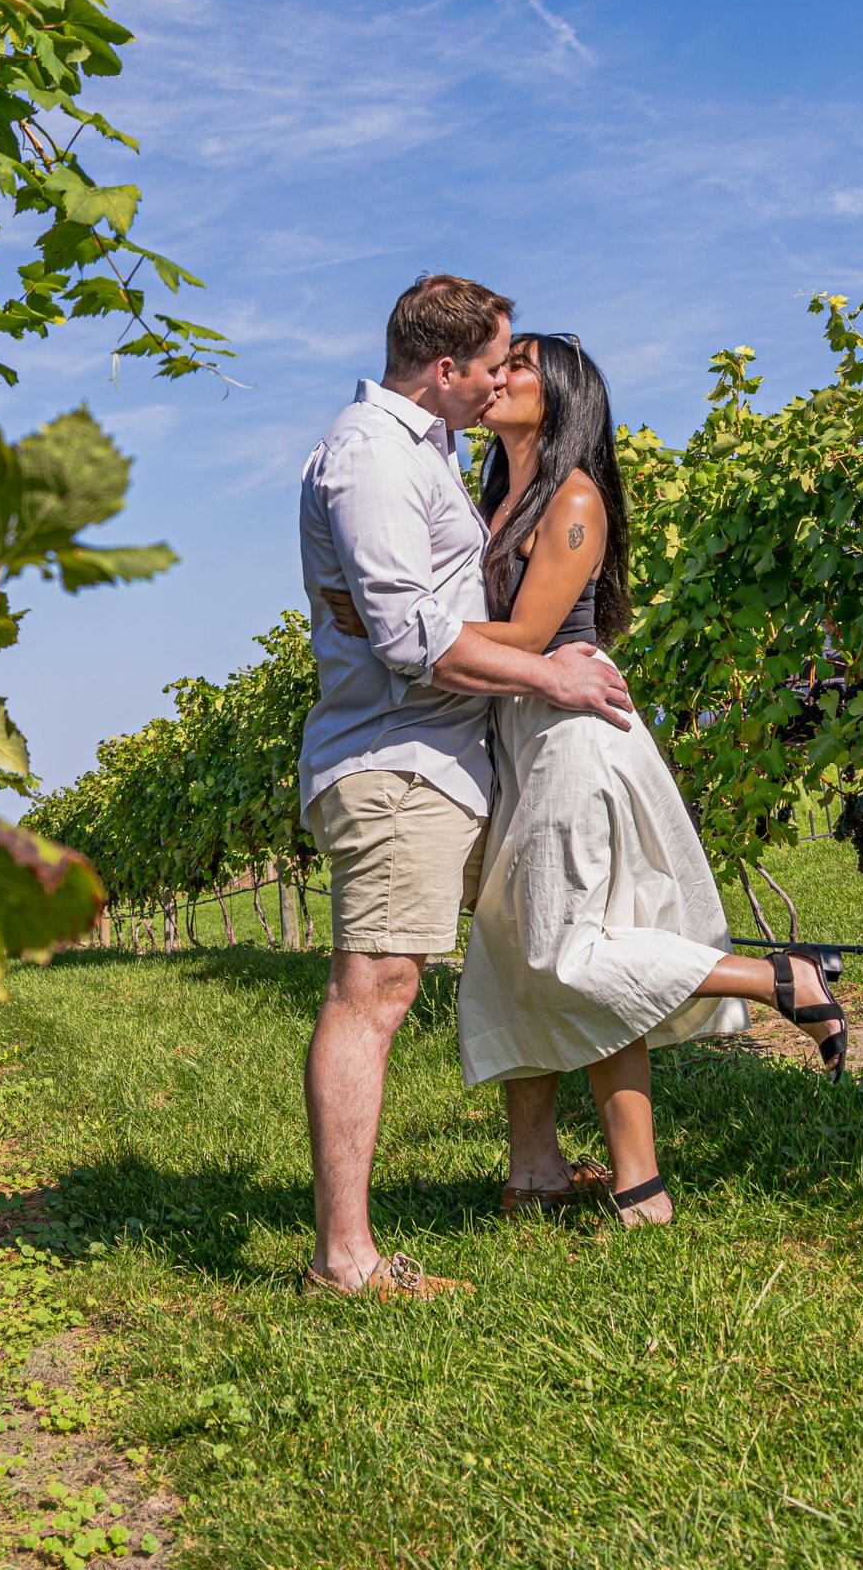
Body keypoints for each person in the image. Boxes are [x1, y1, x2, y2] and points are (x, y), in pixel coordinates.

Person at [455, 333, 849, 1228]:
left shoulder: (574, 495)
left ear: (556, 393)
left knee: (567, 950)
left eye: (516, 364)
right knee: (526, 954)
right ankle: (594, 1181)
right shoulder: (497, 497)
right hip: (521, 736)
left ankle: (779, 978)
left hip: (568, 735)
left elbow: (524, 640)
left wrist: (397, 627)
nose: (496, 375)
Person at [298, 276, 635, 1299]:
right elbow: (410, 639)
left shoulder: (428, 451)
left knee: (526, 949)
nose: (499, 383)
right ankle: (346, 1258)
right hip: (398, 760)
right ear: (444, 369)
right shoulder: (369, 456)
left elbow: (423, 605)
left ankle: (535, 1167)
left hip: (456, 759)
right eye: (492, 364)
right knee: (377, 989)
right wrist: (547, 669)